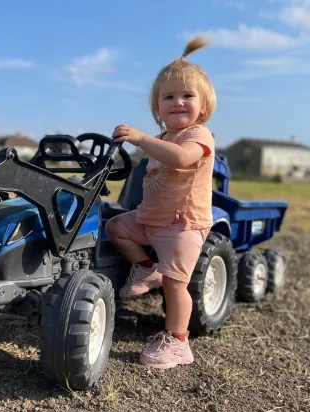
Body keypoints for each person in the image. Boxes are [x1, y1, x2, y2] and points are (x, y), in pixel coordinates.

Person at [107, 35, 216, 369]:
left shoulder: (198, 136)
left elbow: (183, 159)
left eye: (187, 96)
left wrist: (139, 138)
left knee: (176, 284)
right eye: (169, 96)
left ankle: (178, 342)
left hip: (183, 224)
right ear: (158, 107)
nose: (178, 102)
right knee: (115, 226)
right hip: (149, 220)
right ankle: (144, 268)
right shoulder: (161, 138)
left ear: (203, 105)